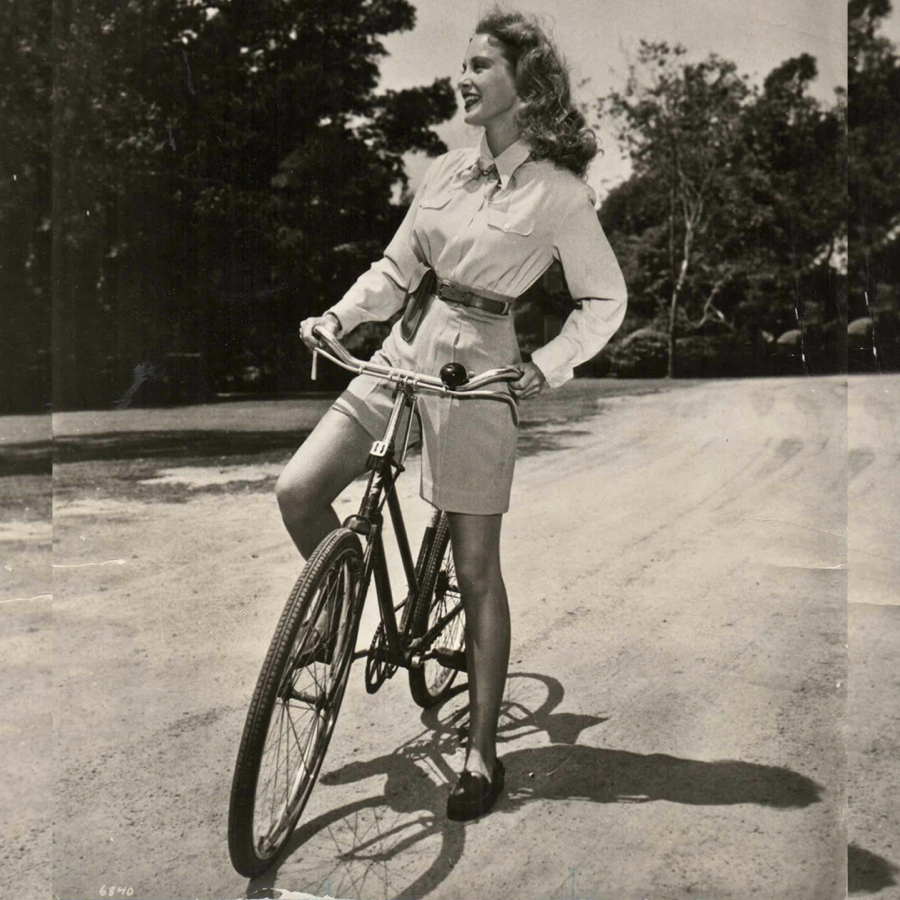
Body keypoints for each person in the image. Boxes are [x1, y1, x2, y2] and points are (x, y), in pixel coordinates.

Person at [276, 7, 627, 821]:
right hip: (405, 351)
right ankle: (332, 621)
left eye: (479, 66)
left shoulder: (559, 192)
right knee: (299, 492)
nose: (461, 79)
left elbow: (605, 298)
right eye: (462, 66)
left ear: (523, 83)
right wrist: (339, 316)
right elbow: (397, 268)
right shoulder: (443, 171)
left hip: (479, 372)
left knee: (475, 574)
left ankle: (480, 752)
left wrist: (545, 367)